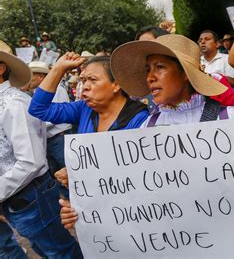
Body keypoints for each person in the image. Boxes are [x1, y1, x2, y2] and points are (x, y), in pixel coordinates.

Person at [59, 34, 234, 238]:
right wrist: (85, 211)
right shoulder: (148, 128)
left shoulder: (226, 119)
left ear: (185, 73)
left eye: (160, 67)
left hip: (223, 237)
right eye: (147, 69)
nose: (150, 77)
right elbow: (130, 190)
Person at [0, 50, 82, 258]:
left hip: (31, 196)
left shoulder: (13, 104)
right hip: (19, 197)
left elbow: (30, 162)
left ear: (1, 69)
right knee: (47, 249)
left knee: (60, 252)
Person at [28, 55, 149, 187]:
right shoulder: (83, 108)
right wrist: (58, 69)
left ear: (116, 84)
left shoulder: (140, 119)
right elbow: (38, 108)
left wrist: (79, 175)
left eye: (92, 80)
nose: (85, 86)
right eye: (83, 80)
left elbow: (136, 174)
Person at [28, 61, 72, 177]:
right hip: (50, 139)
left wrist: (33, 125)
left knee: (69, 173)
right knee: (57, 174)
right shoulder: (37, 92)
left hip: (59, 138)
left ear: (40, 77)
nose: (28, 79)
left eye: (31, 75)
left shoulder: (57, 90)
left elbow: (56, 117)